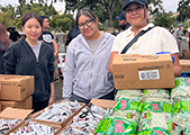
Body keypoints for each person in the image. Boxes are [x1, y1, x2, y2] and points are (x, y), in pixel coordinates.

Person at [108, 0, 181, 77]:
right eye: (129, 10)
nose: (134, 13)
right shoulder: (119, 38)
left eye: (138, 8)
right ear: (125, 14)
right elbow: (111, 67)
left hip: (157, 88)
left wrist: (161, 66)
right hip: (127, 87)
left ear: (147, 9)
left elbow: (177, 69)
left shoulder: (162, 33)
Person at [62, 8, 115, 104]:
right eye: (81, 25)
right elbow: (69, 71)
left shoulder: (111, 41)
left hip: (104, 95)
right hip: (79, 97)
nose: (85, 27)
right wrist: (66, 98)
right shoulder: (74, 44)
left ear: (96, 21)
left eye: (88, 22)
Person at [3, 13, 55, 112]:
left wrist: (51, 97)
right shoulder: (15, 48)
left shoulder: (47, 49)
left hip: (43, 99)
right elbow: (8, 75)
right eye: (29, 26)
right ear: (23, 28)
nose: (34, 30)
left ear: (41, 28)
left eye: (37, 26)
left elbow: (51, 74)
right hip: (22, 101)